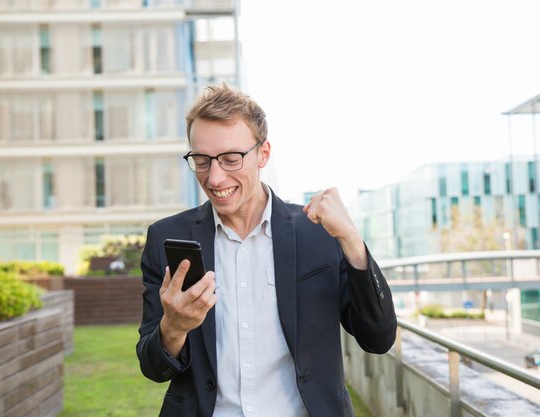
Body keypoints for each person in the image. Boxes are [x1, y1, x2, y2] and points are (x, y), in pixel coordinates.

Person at [136, 84, 397, 417]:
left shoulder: (318, 232)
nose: (215, 178)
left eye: (231, 159)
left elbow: (378, 337)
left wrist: (351, 240)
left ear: (263, 153)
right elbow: (153, 367)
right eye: (201, 161)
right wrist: (173, 327)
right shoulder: (166, 238)